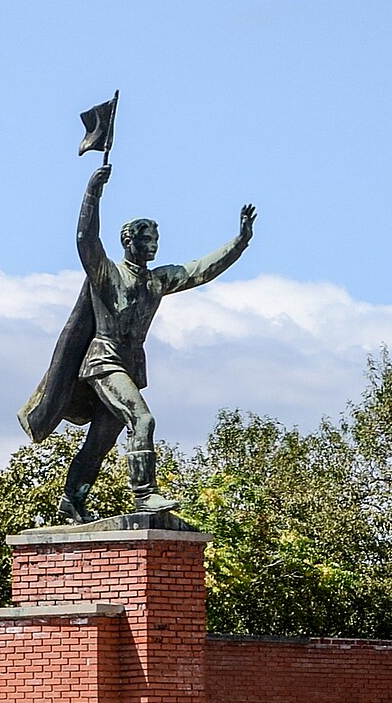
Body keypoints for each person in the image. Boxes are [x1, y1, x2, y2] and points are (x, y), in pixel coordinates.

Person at [20, 163, 256, 521]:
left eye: (156, 242)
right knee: (142, 420)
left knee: (99, 442)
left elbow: (201, 270)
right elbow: (86, 239)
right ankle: (145, 494)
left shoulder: (157, 281)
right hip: (103, 362)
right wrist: (92, 193)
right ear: (129, 241)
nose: (154, 247)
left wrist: (239, 242)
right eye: (147, 240)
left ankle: (71, 499)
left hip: (128, 367)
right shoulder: (107, 274)